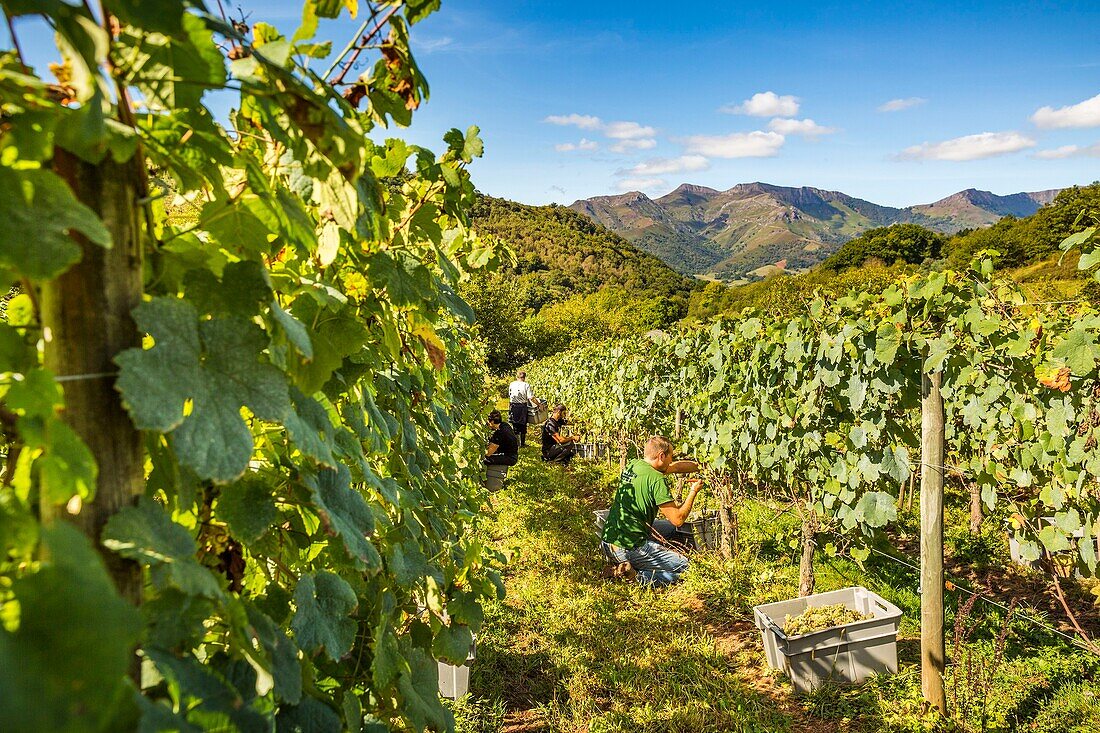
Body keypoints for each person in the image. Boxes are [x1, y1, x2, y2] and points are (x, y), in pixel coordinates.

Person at [600, 435, 703, 587]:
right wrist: (693, 491)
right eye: (670, 456)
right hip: (629, 548)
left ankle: (627, 564)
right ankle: (635, 576)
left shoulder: (634, 465)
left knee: (669, 529)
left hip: (608, 543)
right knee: (687, 567)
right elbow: (678, 519)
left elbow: (675, 467)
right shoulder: (656, 479)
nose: (671, 460)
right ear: (661, 456)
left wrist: (702, 466)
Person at [508, 371, 539, 447]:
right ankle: (522, 444)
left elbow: (510, 394)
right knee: (523, 425)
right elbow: (531, 397)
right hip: (522, 406)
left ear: (516, 377)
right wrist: (539, 404)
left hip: (513, 406)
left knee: (515, 424)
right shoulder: (526, 385)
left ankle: (516, 443)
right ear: (524, 377)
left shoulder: (512, 384)